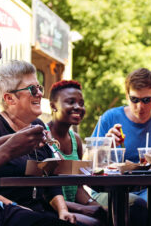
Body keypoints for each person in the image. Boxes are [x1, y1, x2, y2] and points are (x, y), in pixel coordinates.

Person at [91, 68, 151, 226]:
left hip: (148, 190)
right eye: (134, 99)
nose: (139, 106)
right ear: (127, 96)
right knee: (135, 207)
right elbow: (89, 163)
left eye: (146, 100)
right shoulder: (109, 118)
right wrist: (105, 145)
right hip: (109, 190)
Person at [0, 60, 77, 224]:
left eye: (40, 88)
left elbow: (51, 177)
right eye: (32, 89)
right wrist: (14, 207)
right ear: (10, 98)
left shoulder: (38, 126)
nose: (39, 93)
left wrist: (63, 210)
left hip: (40, 210)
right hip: (9, 214)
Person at [47, 80, 106, 226]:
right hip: (54, 209)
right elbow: (42, 191)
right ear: (53, 105)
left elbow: (78, 186)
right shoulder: (42, 137)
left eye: (81, 103)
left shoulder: (76, 140)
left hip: (73, 207)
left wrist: (93, 204)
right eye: (71, 102)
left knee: (111, 213)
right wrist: (83, 209)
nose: (78, 107)